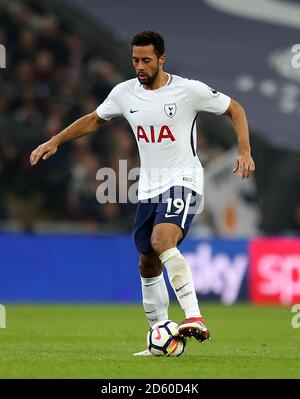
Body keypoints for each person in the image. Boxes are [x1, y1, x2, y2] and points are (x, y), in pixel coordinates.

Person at [30, 31, 255, 356]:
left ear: (161, 59)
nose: (140, 65)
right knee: (148, 265)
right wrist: (55, 140)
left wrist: (244, 151)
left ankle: (194, 316)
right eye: (135, 59)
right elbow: (95, 119)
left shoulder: (187, 90)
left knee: (162, 241)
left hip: (184, 179)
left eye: (146, 60)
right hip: (149, 187)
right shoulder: (124, 93)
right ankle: (159, 336)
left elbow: (235, 109)